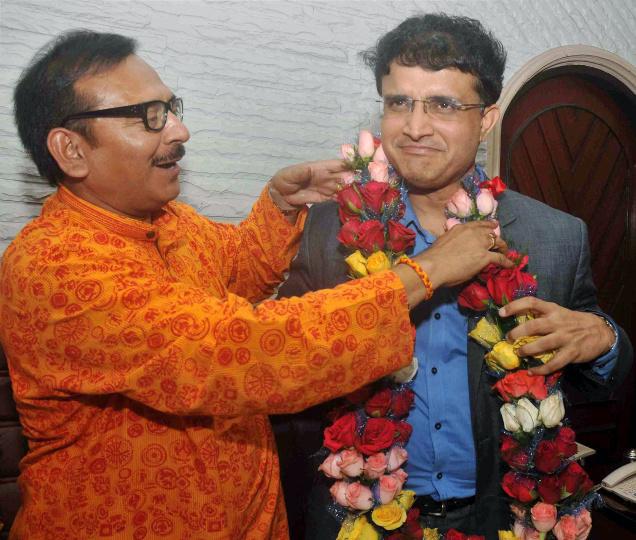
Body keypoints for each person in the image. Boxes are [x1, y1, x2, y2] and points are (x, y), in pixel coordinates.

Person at [0, 30, 509, 540]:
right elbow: (243, 349)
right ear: (71, 149)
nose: (179, 131)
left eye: (170, 107)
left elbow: (237, 270)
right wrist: (425, 273)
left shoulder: (169, 222)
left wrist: (280, 207)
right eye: (148, 116)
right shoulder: (55, 267)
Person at [274, 13, 634, 539]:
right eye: (400, 102)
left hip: (501, 515)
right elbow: (279, 363)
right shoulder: (328, 230)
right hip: (354, 512)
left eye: (443, 104)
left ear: (487, 119)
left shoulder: (555, 235)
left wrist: (604, 339)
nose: (415, 127)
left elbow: (603, 369)